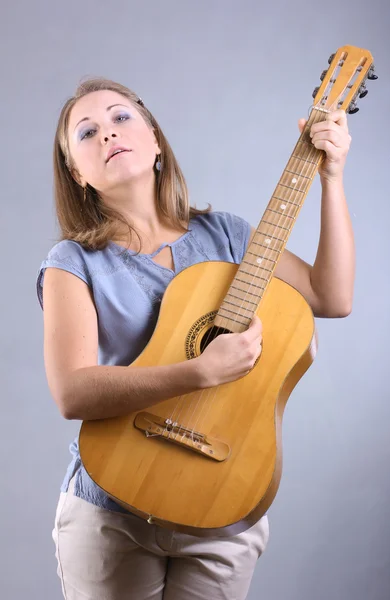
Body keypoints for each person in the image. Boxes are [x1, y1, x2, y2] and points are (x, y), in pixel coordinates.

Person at [37, 77, 355, 600]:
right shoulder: (71, 263)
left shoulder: (227, 236)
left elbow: (332, 296)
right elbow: (72, 392)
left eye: (121, 118)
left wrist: (333, 179)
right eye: (87, 132)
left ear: (156, 139)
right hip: (112, 502)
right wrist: (198, 371)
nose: (108, 135)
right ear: (77, 172)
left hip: (224, 498)